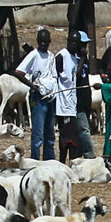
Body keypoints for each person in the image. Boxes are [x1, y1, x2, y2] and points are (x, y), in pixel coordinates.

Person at [14, 29, 57, 160]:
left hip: (50, 97)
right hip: (38, 98)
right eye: (41, 41)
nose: (43, 43)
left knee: (50, 134)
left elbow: (54, 76)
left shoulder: (51, 56)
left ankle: (49, 161)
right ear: (38, 41)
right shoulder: (34, 55)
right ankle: (35, 161)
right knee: (38, 134)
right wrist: (33, 87)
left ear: (49, 42)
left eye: (46, 41)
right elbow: (18, 72)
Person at [55, 31, 84, 163]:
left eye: (76, 43)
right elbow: (56, 77)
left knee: (74, 137)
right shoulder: (61, 56)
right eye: (72, 42)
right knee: (65, 136)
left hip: (72, 104)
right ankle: (62, 162)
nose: (74, 45)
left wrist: (82, 59)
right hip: (62, 105)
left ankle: (72, 162)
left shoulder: (75, 58)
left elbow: (75, 76)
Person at [75, 31, 96, 159]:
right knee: (83, 128)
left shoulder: (86, 60)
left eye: (86, 45)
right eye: (82, 45)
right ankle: (90, 154)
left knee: (81, 128)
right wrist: (82, 59)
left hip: (85, 97)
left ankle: (78, 155)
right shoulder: (73, 59)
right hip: (76, 99)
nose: (84, 48)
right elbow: (75, 77)